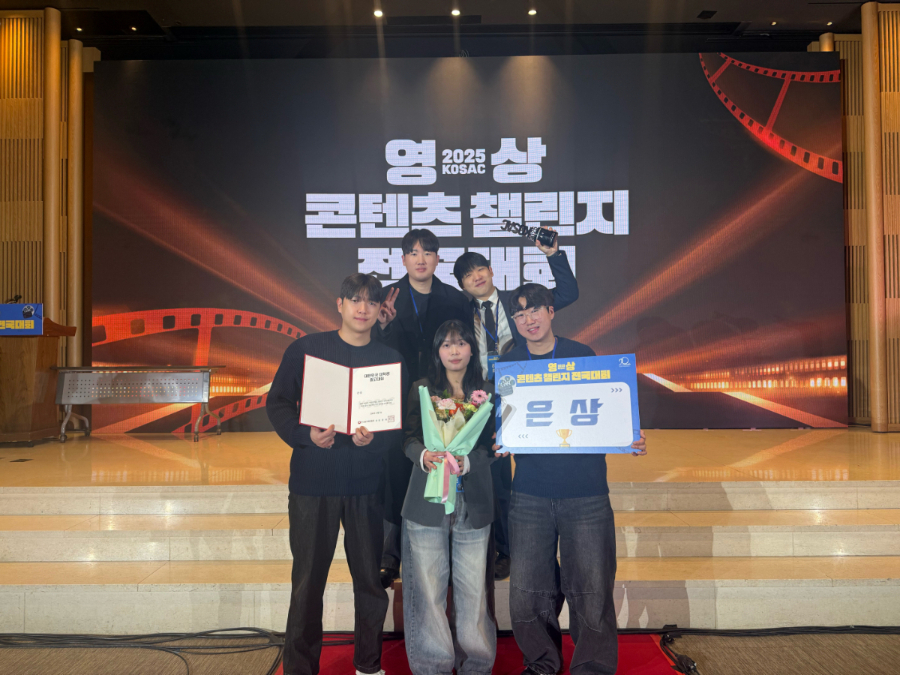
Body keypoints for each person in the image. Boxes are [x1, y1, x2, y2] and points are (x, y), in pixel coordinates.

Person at [495, 283, 647, 675]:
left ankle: (592, 666)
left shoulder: (582, 356)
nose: (528, 320)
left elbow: (607, 409)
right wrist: (501, 437)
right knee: (528, 591)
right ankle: (541, 663)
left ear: (551, 311)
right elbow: (503, 419)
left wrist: (627, 435)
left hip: (586, 492)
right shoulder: (510, 364)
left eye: (534, 310)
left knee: (592, 588)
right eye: (519, 314)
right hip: (530, 493)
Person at [266, 273, 408, 675]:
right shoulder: (307, 350)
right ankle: (300, 668)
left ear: (380, 309)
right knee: (307, 583)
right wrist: (305, 436)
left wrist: (373, 441)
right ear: (340, 304)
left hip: (366, 486)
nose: (363, 309)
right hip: (313, 485)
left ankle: (368, 664)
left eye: (371, 302)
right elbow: (277, 403)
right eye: (355, 300)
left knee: (370, 582)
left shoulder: (389, 359)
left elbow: (396, 426)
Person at [452, 232, 578, 581]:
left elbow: (568, 293)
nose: (477, 277)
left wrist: (554, 255)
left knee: (525, 471)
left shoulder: (518, 303)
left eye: (480, 269)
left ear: (492, 270)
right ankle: (501, 549)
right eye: (468, 275)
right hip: (483, 398)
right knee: (493, 476)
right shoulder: (462, 313)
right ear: (462, 285)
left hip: (527, 393)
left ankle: (520, 546)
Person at [374, 228, 472, 588]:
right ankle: (390, 555)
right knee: (395, 472)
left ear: (437, 258)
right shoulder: (387, 298)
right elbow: (372, 347)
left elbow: (464, 345)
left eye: (427, 252)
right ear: (403, 260)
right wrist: (383, 326)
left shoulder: (454, 299)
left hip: (441, 395)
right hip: (396, 396)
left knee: (440, 467)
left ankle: (441, 544)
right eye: (413, 253)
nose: (420, 259)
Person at [400, 319, 497, 675]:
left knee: (473, 591)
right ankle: (432, 666)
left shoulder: (488, 392)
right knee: (428, 591)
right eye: (446, 344)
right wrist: (423, 455)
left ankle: (477, 666)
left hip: (473, 501)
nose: (454, 351)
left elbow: (494, 445)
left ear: (472, 349)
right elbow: (408, 438)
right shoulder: (422, 389)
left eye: (460, 343)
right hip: (427, 501)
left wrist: (470, 462)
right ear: (437, 352)